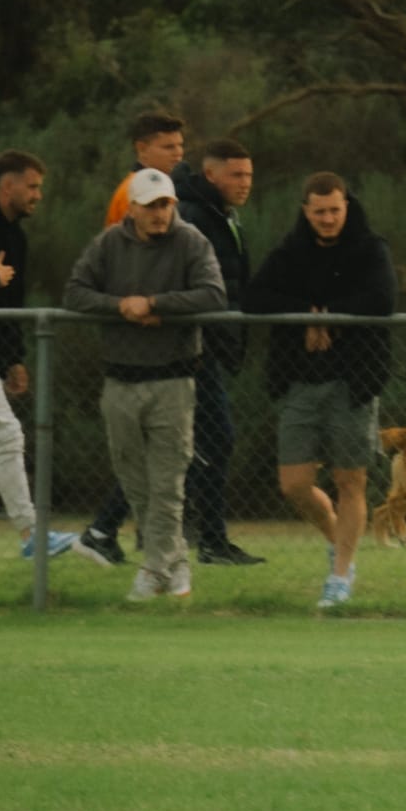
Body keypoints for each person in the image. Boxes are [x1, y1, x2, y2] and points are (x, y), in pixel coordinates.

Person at [62, 167, 227, 599]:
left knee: (168, 481)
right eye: (151, 206)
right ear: (132, 208)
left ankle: (153, 570)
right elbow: (75, 293)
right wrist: (122, 307)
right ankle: (176, 561)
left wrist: (157, 305)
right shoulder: (108, 244)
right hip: (120, 380)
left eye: (166, 204)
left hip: (173, 378)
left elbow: (213, 294)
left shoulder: (191, 241)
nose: (160, 214)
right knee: (133, 479)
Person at [246, 174, 395, 608]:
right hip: (299, 383)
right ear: (306, 211)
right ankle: (337, 539)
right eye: (319, 211)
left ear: (346, 206)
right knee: (294, 484)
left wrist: (330, 316)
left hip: (353, 382)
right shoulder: (291, 252)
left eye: (335, 210)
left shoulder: (370, 249)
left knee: (351, 479)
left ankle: (341, 574)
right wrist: (304, 315)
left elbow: (382, 300)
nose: (328, 218)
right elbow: (254, 298)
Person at [76, 106, 187, 567]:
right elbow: (118, 265)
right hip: (144, 349)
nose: (179, 154)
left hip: (171, 341)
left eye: (181, 146)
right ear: (142, 150)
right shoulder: (131, 194)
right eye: (168, 146)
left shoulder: (175, 200)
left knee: (169, 462)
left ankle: (153, 548)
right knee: (158, 463)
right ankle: (138, 544)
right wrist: (135, 305)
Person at [0, 151, 77, 563]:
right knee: (5, 434)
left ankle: (30, 533)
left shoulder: (15, 237)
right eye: (32, 187)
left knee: (4, 434)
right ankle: (31, 534)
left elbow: (8, 307)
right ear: (8, 186)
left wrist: (12, 360)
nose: (39, 195)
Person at [174, 136, 263, 568]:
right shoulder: (194, 216)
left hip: (212, 347)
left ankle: (205, 537)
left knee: (201, 441)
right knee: (213, 438)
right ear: (211, 175)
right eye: (236, 174)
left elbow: (238, 283)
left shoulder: (224, 216)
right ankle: (207, 538)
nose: (245, 182)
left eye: (248, 174)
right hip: (194, 348)